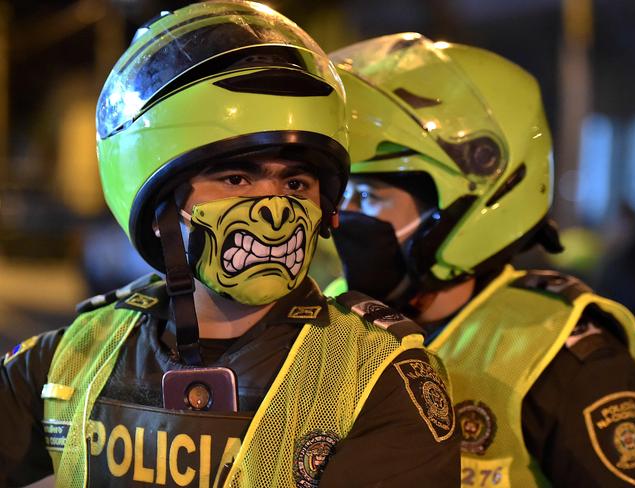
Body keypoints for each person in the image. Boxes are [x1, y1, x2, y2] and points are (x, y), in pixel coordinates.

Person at [0, 9, 459, 488]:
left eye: (296, 182)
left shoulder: (377, 379)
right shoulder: (78, 354)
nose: (275, 209)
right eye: (236, 178)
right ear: (157, 202)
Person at [327, 33, 635, 487]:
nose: (345, 217)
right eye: (344, 194)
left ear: (466, 205)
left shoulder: (558, 356)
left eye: (370, 195)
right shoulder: (325, 319)